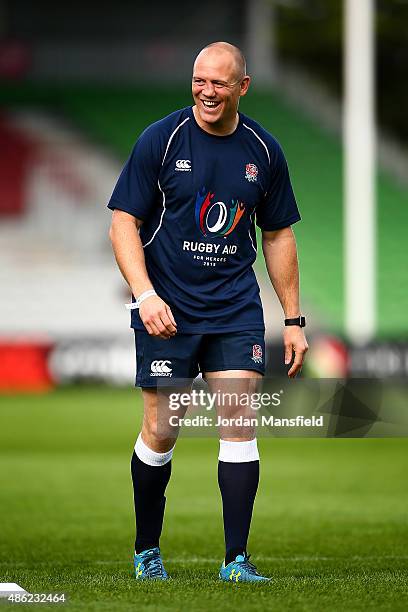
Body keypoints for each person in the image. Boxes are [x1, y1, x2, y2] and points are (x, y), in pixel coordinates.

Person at [108, 41, 308, 583]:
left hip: (235, 308)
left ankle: (235, 560)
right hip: (166, 310)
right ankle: (146, 549)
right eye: (200, 80)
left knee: (239, 423)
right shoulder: (163, 138)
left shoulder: (264, 151)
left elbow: (278, 233)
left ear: (243, 87)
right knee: (164, 428)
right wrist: (145, 295)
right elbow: (123, 221)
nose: (207, 92)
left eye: (220, 83)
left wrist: (292, 319)